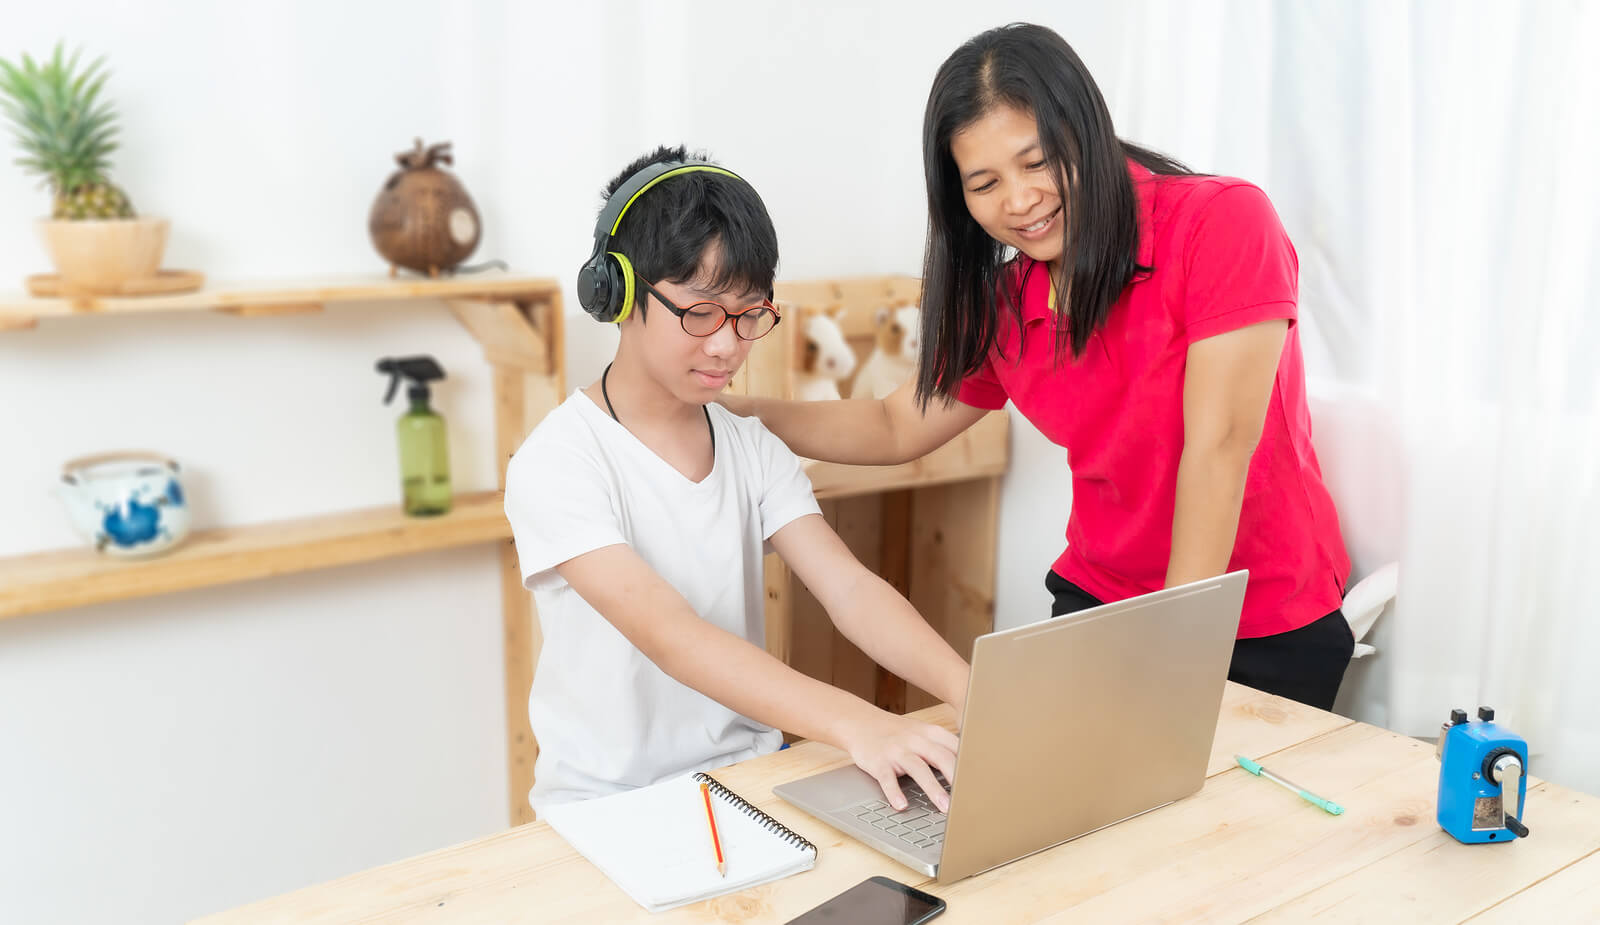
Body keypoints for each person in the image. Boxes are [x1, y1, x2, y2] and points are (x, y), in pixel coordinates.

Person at [722, 24, 1354, 710]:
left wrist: (1176, 649)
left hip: (1259, 616)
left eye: (1038, 161)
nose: (1019, 201)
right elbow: (893, 424)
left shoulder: (1221, 223)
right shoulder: (1003, 302)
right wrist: (743, 415)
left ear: (1085, 129)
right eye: (985, 182)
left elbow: (1219, 450)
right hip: (1101, 600)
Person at [503, 145, 970, 817]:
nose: (727, 344)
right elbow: (672, 634)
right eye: (700, 312)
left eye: (750, 314)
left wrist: (972, 688)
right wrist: (858, 721)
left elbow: (852, 592)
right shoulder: (558, 462)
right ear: (618, 294)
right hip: (608, 808)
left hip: (751, 784)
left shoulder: (750, 447)